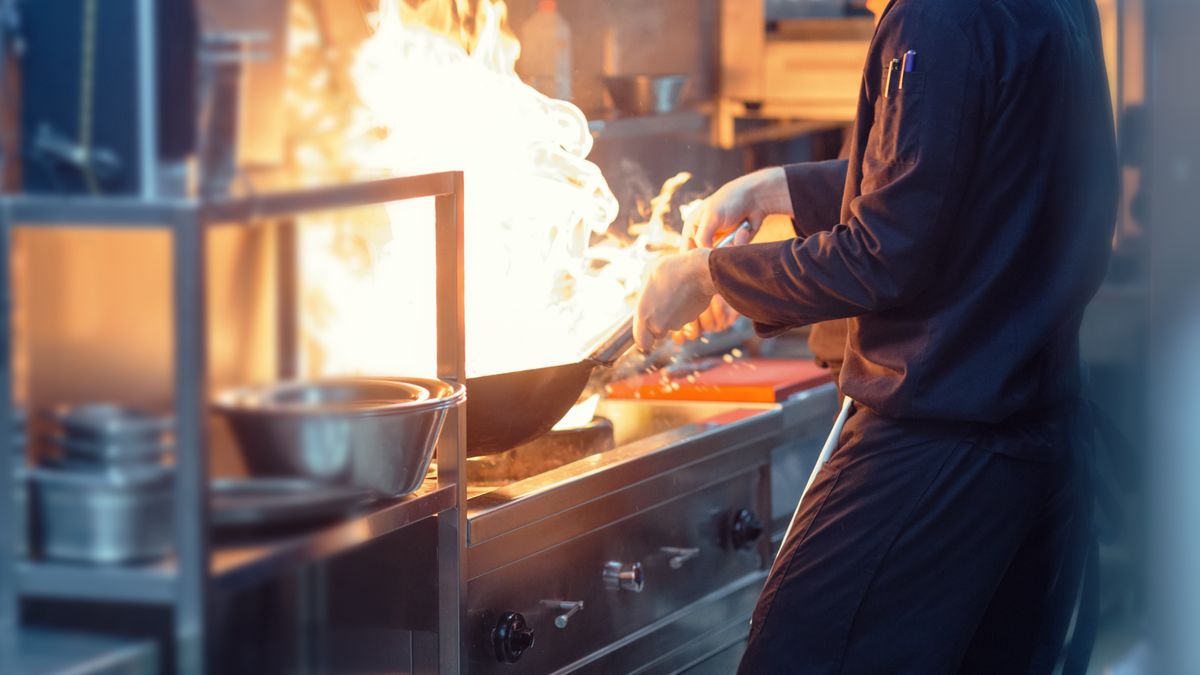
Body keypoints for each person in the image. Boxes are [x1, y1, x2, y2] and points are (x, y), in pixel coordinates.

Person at [633, 0, 1119, 671]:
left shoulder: (933, 17)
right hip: (1038, 443)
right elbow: (949, 174)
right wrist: (779, 187)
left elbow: (883, 253)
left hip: (940, 443)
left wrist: (711, 277)